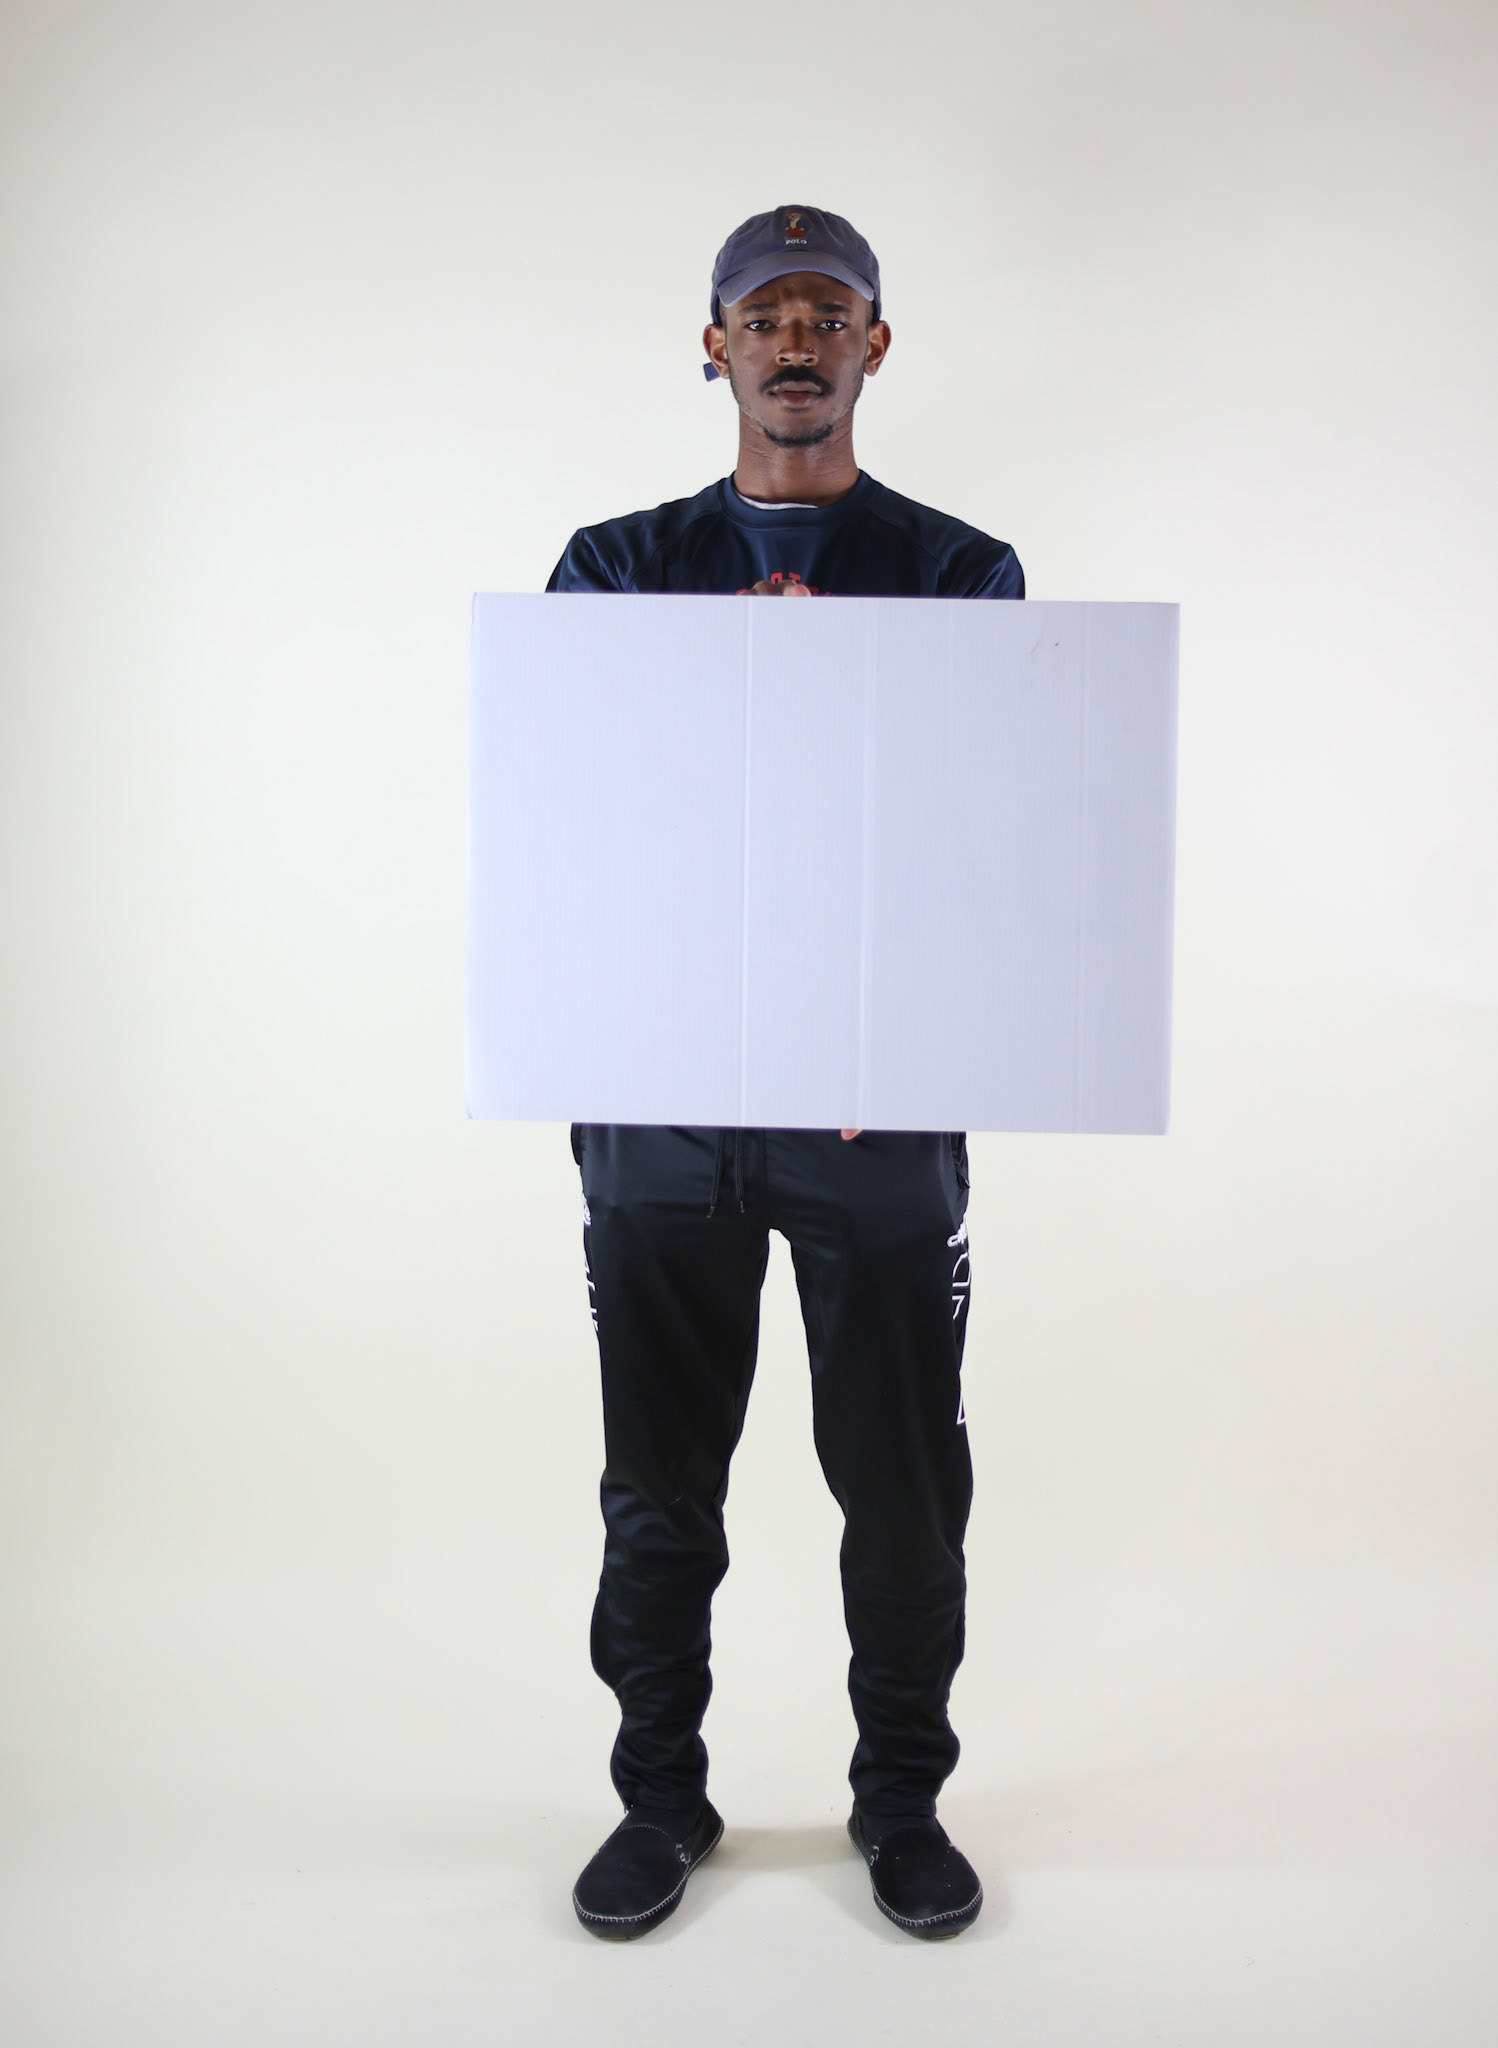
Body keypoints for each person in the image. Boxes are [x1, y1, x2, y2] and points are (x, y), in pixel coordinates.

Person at [546, 205, 1024, 1941]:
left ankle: (897, 1805)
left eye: (832, 311)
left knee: (900, 1486)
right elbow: (583, 819)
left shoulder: (964, 575)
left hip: (873, 1116)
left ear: (876, 347)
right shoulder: (611, 566)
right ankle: (659, 1805)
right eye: (767, 312)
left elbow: (982, 847)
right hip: (662, 1118)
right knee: (659, 1490)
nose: (798, 339)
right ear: (715, 343)